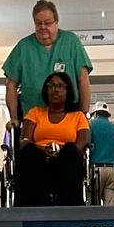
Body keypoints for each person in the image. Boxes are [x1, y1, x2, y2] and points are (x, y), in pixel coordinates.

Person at [2, 1, 91, 128]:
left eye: (47, 23)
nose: (43, 27)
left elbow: (83, 79)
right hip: (33, 118)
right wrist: (14, 118)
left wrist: (84, 114)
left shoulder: (71, 41)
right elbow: (11, 84)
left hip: (68, 116)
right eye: (38, 23)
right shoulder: (23, 47)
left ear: (56, 23)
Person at [16, 70, 90, 207]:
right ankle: (29, 205)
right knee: (29, 151)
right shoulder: (35, 113)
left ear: (68, 91)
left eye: (60, 86)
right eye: (51, 86)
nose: (55, 90)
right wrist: (43, 149)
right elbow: (24, 141)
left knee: (71, 151)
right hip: (39, 157)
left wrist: (60, 150)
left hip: (66, 158)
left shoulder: (78, 116)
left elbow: (81, 145)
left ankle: (70, 204)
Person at [87, 103, 114, 205]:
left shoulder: (90, 126)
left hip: (95, 170)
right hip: (112, 170)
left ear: (94, 114)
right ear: (108, 115)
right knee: (112, 208)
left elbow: (85, 148)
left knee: (93, 207)